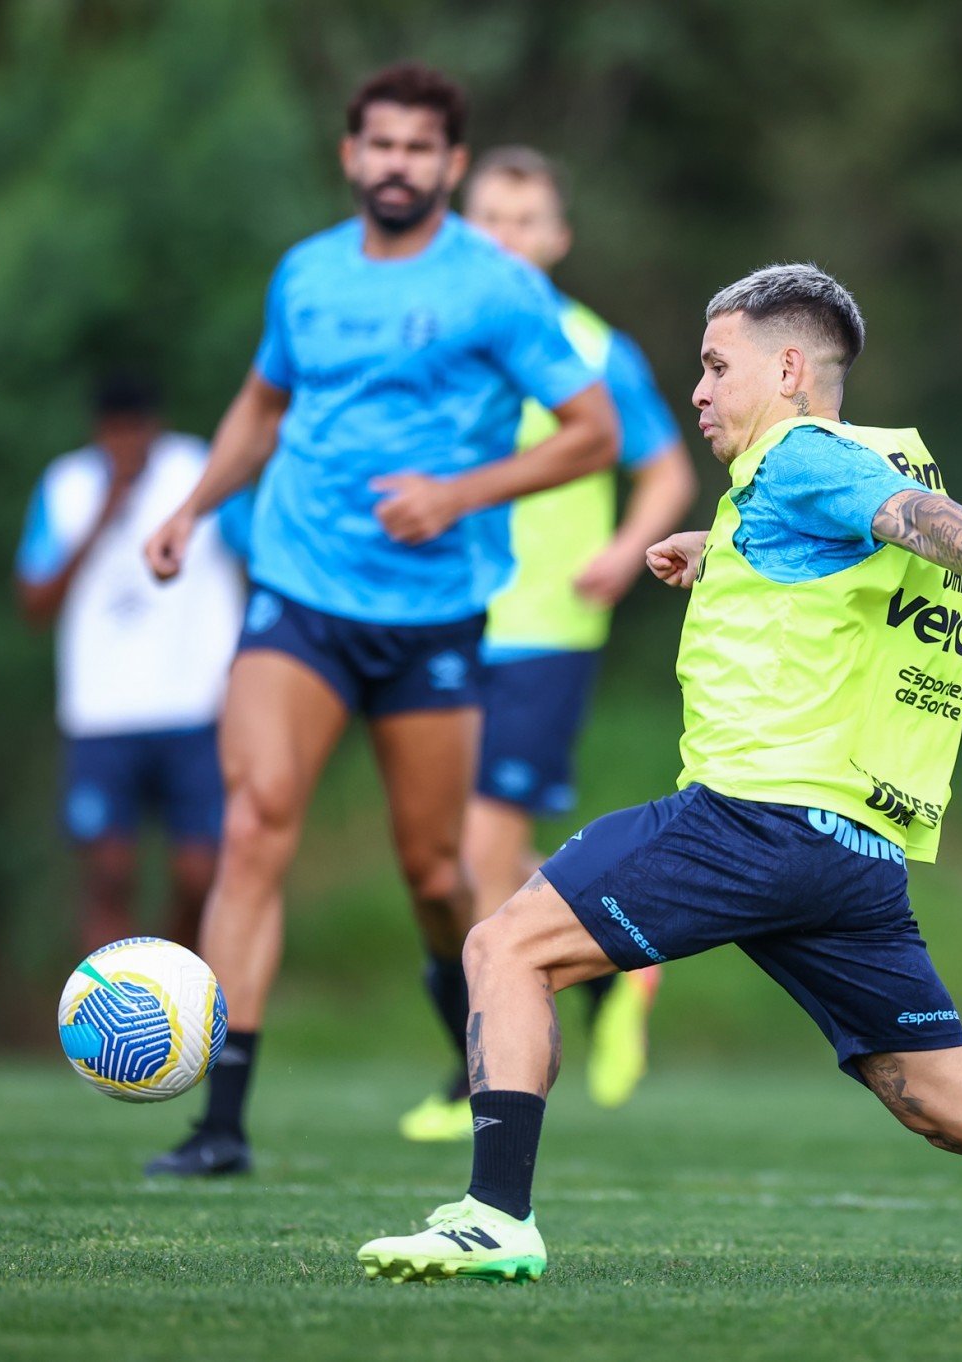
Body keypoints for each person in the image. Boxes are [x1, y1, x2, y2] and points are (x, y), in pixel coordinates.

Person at [355, 265, 962, 1293]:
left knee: (503, 945)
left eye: (715, 365)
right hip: (851, 859)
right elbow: (855, 543)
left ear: (787, 369)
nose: (698, 390)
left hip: (752, 820)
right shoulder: (811, 477)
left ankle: (494, 1218)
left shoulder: (801, 459)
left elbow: (905, 516)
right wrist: (714, 546)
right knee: (956, 1104)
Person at [139, 63, 618, 1176]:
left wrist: (458, 494)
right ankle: (220, 1124)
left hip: (434, 617)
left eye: (419, 149)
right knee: (256, 825)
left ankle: (474, 1027)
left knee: (434, 872)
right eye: (379, 145)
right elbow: (263, 404)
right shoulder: (304, 277)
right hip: (298, 594)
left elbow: (589, 433)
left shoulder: (499, 289)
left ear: (449, 164)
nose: (396, 164)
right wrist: (192, 506)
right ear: (350, 155)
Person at [390, 146, 695, 1141]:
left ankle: (487, 1074)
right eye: (492, 217)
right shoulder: (435, 331)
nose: (508, 237)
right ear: (459, 222)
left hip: (547, 625)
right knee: (446, 858)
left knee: (480, 849)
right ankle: (611, 968)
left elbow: (664, 472)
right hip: (441, 614)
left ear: (559, 238)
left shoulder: (594, 347)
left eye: (529, 221)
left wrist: (621, 549)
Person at [15, 375, 242, 951]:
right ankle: (104, 1023)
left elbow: (259, 552)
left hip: (195, 707)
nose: (125, 444)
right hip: (101, 714)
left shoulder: (199, 471)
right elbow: (33, 602)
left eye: (135, 430)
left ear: (154, 427)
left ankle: (168, 996)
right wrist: (100, 519)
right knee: (107, 874)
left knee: (199, 874)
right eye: (113, 432)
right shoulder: (66, 485)